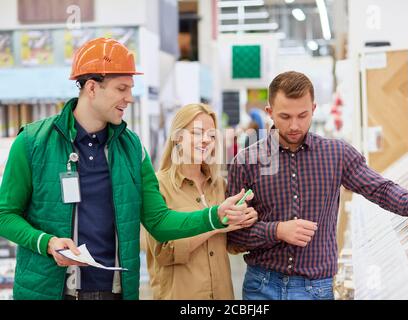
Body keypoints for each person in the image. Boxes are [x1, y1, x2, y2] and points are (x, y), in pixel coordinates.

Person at [0, 38, 250, 300]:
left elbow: (159, 221)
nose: (129, 98)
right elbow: (5, 214)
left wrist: (214, 215)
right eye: (121, 88)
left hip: (115, 291)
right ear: (92, 88)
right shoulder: (32, 142)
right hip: (48, 291)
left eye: (130, 89)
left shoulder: (132, 149)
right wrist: (47, 243)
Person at [226, 71, 408, 300]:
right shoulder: (246, 161)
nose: (294, 125)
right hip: (261, 287)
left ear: (313, 109)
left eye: (302, 115)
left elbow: (379, 188)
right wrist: (277, 231)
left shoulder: (336, 154)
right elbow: (232, 238)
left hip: (315, 290)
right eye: (285, 116)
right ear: (269, 112)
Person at [145, 103, 257, 299]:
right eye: (197, 133)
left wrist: (245, 220)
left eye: (212, 136)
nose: (206, 140)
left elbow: (232, 245)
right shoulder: (157, 185)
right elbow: (164, 253)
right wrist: (216, 224)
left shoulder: (219, 185)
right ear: (178, 137)